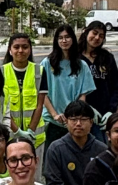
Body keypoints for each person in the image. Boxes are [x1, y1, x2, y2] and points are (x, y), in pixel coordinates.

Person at [43, 101, 108, 185]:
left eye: (83, 119)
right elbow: (54, 184)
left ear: (91, 122)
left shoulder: (102, 150)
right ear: (66, 121)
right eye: (74, 119)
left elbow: (107, 184)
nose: (78, 124)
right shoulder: (56, 149)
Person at [39, 24, 96, 153]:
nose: (64, 41)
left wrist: (74, 116)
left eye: (67, 37)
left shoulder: (82, 65)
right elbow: (42, 94)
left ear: (73, 39)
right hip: (52, 121)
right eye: (60, 38)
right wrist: (54, 115)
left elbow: (83, 94)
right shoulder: (47, 63)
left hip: (74, 122)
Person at [2, 32, 46, 138]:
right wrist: (17, 131)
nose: (20, 50)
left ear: (30, 49)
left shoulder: (39, 71)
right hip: (10, 135)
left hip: (35, 136)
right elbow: (2, 107)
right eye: (16, 47)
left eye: (25, 47)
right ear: (10, 50)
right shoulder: (1, 72)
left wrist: (31, 131)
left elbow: (40, 105)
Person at [79, 21, 118, 122]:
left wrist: (111, 111)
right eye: (94, 33)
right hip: (82, 115)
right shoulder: (75, 58)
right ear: (86, 32)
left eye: (101, 36)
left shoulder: (107, 58)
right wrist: (86, 109)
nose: (97, 37)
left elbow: (116, 87)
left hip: (105, 115)